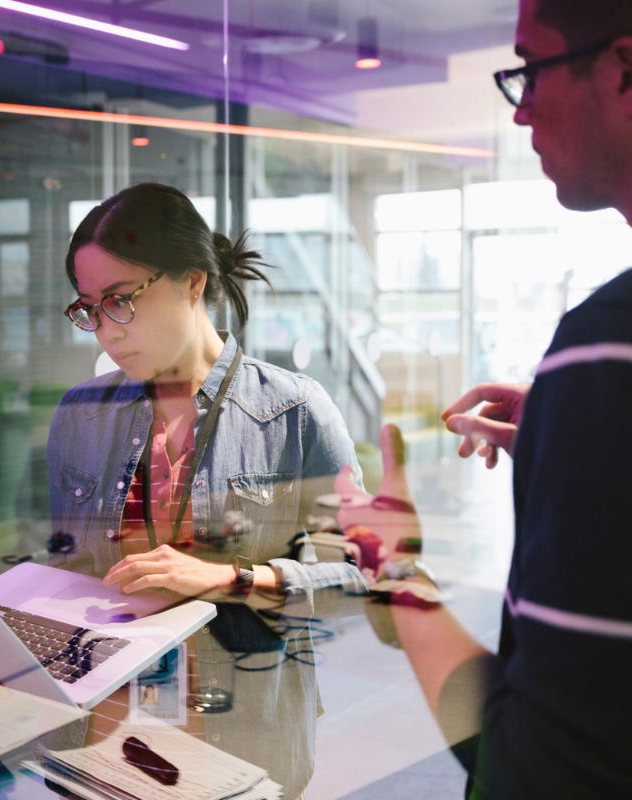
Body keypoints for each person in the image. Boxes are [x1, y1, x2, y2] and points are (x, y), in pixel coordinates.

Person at [337, 2, 632, 797]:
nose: (522, 108)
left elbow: (539, 766)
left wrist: (395, 571)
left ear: (623, 67)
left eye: (530, 70)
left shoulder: (605, 348)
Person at [46, 182, 367, 799]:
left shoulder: (294, 411)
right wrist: (9, 650)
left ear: (193, 282)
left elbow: (358, 573)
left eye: (120, 300)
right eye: (88, 308)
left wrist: (227, 579)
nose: (104, 331)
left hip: (239, 740)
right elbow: (66, 570)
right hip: (103, 739)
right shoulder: (80, 414)